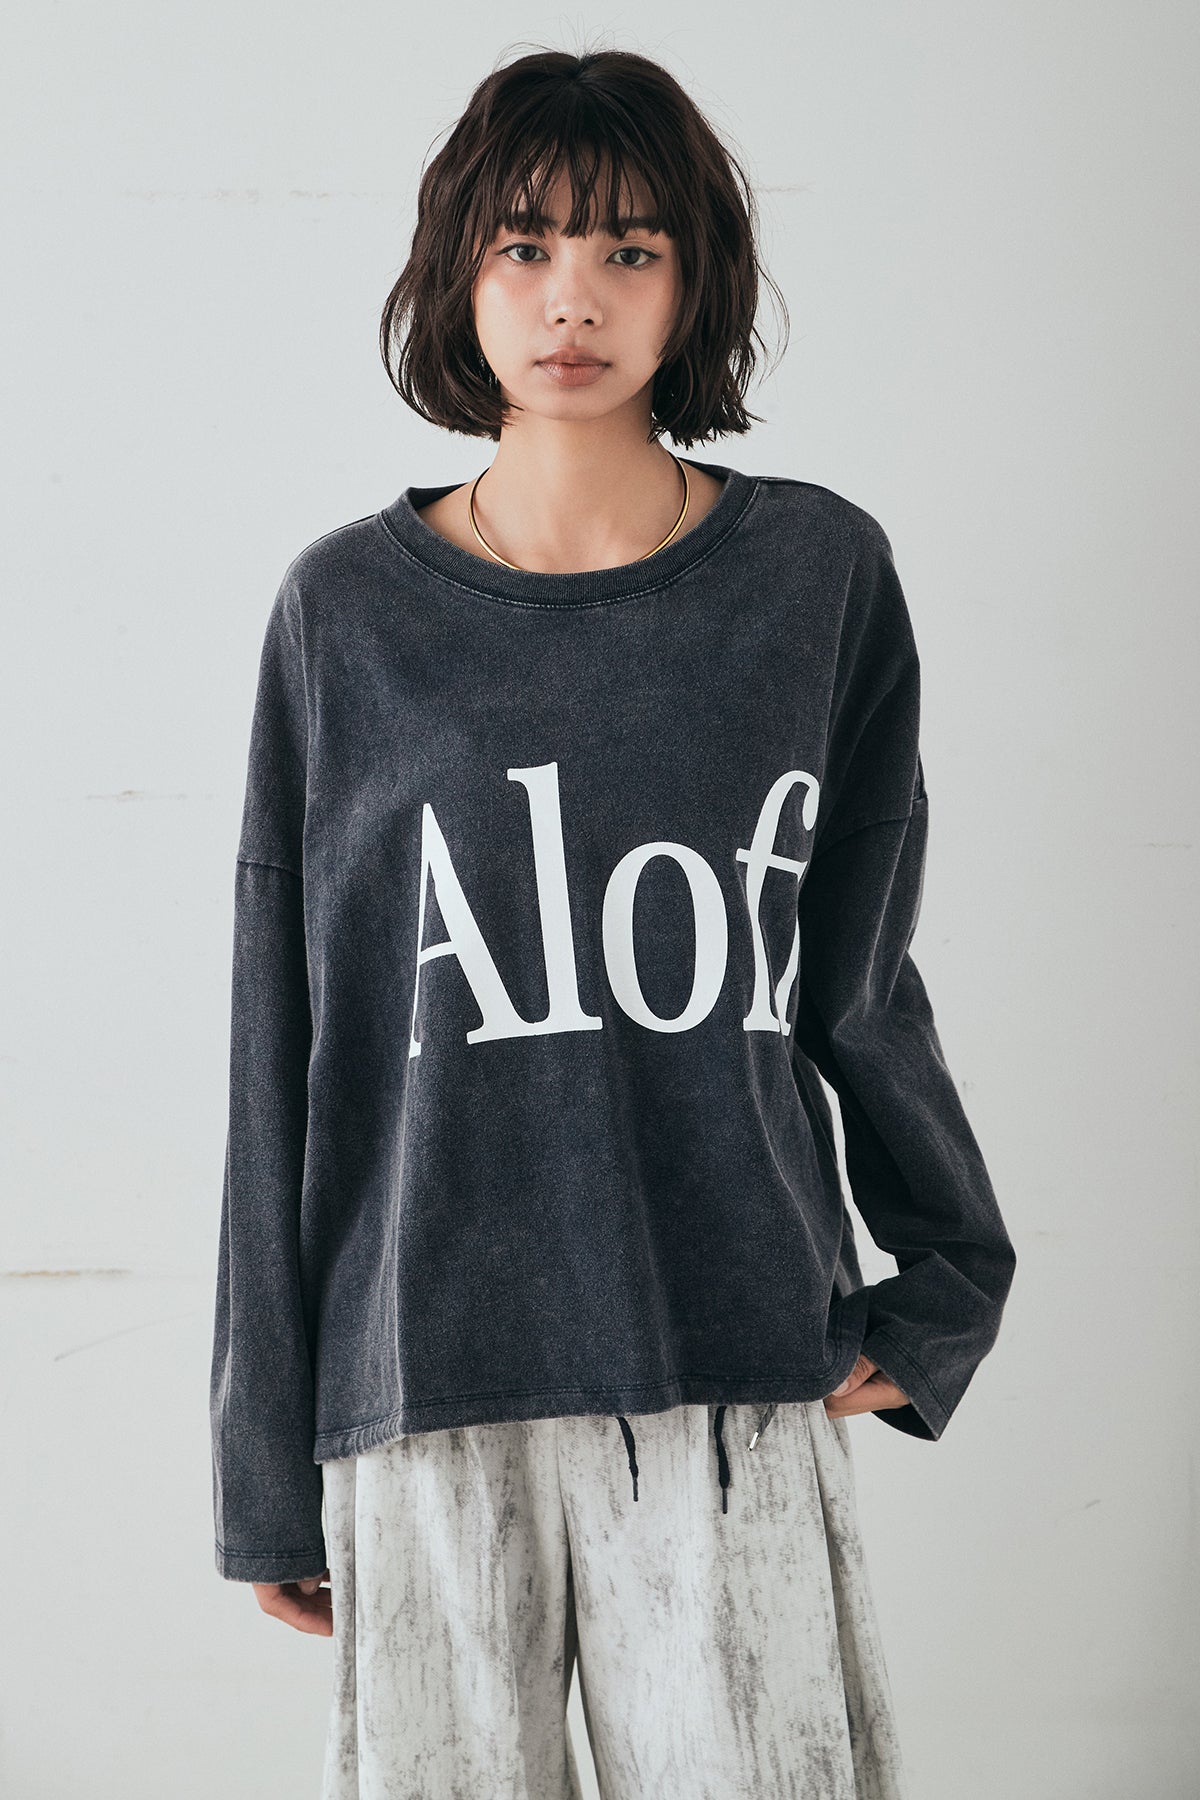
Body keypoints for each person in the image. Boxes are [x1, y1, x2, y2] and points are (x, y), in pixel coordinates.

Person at [209, 43, 1017, 1800]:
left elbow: (858, 970)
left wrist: (947, 1289)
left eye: (628, 249)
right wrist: (262, 1466)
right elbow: (283, 1046)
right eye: (524, 245)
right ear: (458, 271)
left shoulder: (816, 577)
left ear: (693, 278)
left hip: (733, 1365)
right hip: (420, 1383)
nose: (571, 297)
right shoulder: (344, 615)